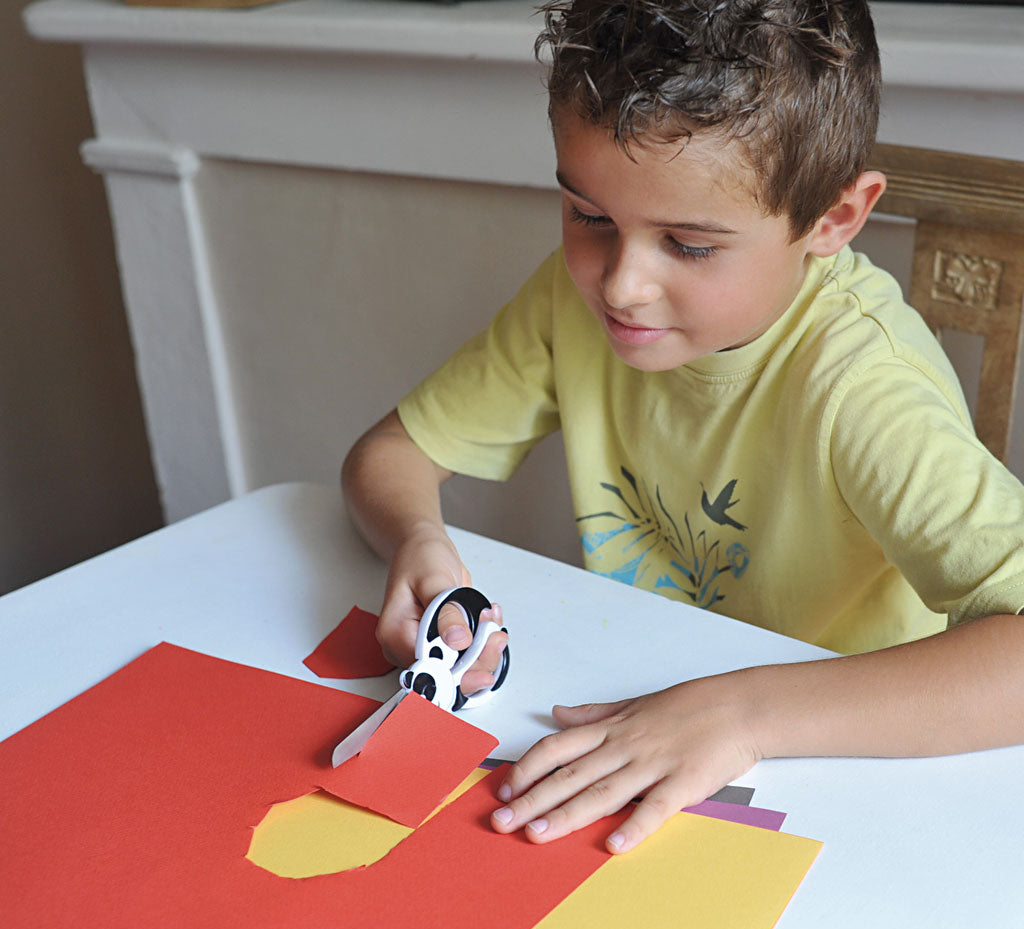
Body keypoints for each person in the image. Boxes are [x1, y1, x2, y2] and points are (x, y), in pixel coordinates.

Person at [342, 0, 1024, 854]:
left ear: (834, 220)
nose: (620, 286)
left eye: (690, 245)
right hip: (640, 711)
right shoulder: (569, 301)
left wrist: (742, 716)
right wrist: (417, 540)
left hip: (836, 772)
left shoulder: (863, 386)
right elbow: (391, 455)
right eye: (590, 217)